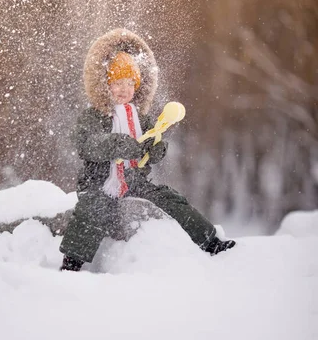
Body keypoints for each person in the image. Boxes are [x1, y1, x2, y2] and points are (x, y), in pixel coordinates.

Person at [60, 28, 235, 272]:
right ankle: (72, 263)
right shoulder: (94, 116)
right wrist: (115, 144)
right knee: (93, 210)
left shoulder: (141, 119)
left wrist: (154, 150)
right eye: (118, 83)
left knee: (171, 199)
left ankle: (210, 241)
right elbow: (85, 145)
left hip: (134, 181)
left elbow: (157, 143)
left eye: (130, 83)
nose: (124, 89)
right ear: (106, 85)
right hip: (99, 183)